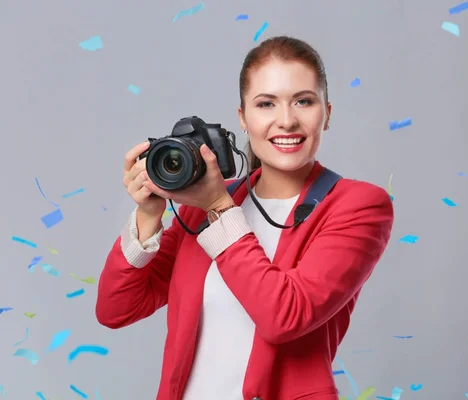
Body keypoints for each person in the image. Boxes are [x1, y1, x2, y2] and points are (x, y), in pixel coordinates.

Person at [96, 36, 394, 400]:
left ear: (326, 113)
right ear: (244, 118)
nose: (286, 121)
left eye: (304, 101)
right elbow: (116, 309)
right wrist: (148, 214)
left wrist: (219, 207)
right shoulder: (199, 206)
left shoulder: (357, 205)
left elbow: (284, 317)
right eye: (266, 104)